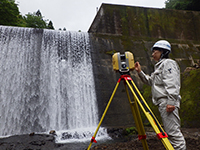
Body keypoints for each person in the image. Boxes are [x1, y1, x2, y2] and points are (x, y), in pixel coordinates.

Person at [134, 40, 186, 150]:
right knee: (171, 133)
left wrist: (171, 102)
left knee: (173, 134)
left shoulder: (168, 63)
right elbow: (150, 81)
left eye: (155, 51)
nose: (152, 54)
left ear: (163, 51)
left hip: (167, 102)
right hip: (163, 103)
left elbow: (172, 83)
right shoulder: (159, 66)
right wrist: (139, 72)